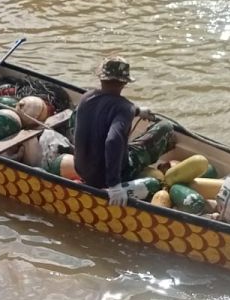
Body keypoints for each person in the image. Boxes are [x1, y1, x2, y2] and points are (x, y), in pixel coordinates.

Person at [72, 56, 175, 199]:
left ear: (101, 79)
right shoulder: (125, 107)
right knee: (165, 127)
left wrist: (137, 111)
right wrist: (114, 185)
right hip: (109, 177)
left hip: (82, 171)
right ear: (124, 83)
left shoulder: (86, 98)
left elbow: (107, 108)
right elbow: (113, 140)